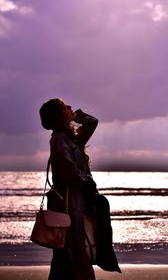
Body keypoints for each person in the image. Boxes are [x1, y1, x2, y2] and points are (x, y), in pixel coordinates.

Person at [39, 98, 120, 280]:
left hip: (75, 202)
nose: (69, 107)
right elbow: (69, 172)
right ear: (58, 115)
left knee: (71, 253)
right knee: (71, 252)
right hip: (69, 204)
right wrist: (89, 183)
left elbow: (92, 122)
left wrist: (76, 116)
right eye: (64, 107)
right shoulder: (59, 139)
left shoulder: (71, 138)